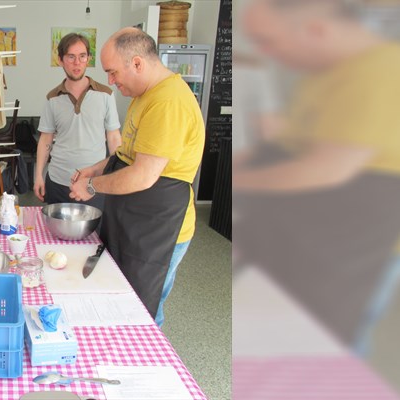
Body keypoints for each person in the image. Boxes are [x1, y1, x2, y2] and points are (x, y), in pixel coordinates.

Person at [237, 0, 400, 354]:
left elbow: (327, 168)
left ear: (316, 30)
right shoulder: (322, 75)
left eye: (267, 41)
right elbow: (291, 142)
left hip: (353, 250)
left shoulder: (382, 71)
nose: (264, 54)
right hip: (306, 241)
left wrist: (242, 180)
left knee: (330, 348)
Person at [70, 28, 204, 326]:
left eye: (113, 72)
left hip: (159, 229)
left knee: (143, 309)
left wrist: (91, 185)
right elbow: (128, 155)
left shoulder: (168, 103)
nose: (111, 81)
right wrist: (96, 168)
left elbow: (143, 175)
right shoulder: (146, 95)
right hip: (135, 220)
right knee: (120, 296)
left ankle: (143, 365)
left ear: (138, 64)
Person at [34, 33, 121, 208]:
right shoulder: (53, 98)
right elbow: (45, 139)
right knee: (54, 234)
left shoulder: (106, 94)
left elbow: (113, 138)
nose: (77, 63)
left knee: (94, 234)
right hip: (57, 181)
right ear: (60, 60)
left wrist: (117, 177)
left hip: (93, 183)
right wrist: (38, 176)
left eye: (82, 56)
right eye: (71, 57)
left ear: (88, 58)